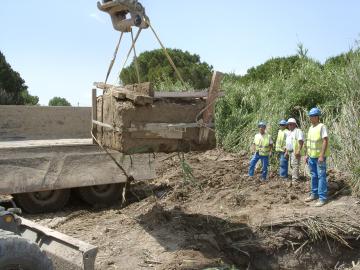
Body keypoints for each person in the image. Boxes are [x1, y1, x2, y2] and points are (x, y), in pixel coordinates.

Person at [304, 108, 330, 207]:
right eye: (310, 116)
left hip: (319, 157)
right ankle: (314, 194)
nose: (310, 118)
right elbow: (309, 142)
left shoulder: (322, 126)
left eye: (312, 116)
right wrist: (307, 154)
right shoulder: (311, 127)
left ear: (317, 117)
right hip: (311, 157)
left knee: (321, 176)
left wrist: (321, 155)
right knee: (314, 175)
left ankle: (322, 198)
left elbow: (325, 141)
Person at [285, 118, 305, 183]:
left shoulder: (298, 131)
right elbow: (288, 143)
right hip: (290, 151)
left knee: (295, 165)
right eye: (288, 124)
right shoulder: (289, 133)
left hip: (295, 151)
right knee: (292, 165)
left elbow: (301, 141)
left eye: (291, 124)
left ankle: (295, 180)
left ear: (294, 124)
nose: (289, 126)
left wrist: (298, 150)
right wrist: (286, 152)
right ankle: (295, 178)